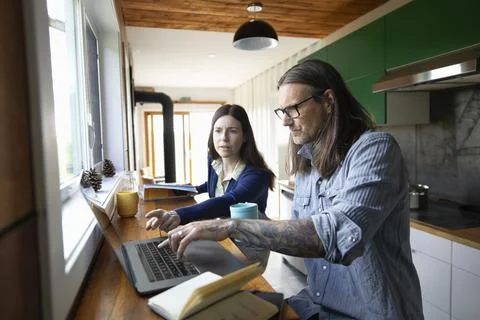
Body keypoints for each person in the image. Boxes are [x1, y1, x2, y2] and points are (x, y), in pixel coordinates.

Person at [156, 60, 424, 319]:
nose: (285, 121)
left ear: (328, 101)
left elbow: (331, 235)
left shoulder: (375, 148)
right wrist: (255, 222)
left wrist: (229, 225)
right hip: (317, 305)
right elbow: (299, 232)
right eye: (282, 111)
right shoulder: (307, 164)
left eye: (293, 109)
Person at [145, 104, 276, 265]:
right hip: (220, 236)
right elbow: (216, 185)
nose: (224, 138)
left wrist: (179, 214)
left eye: (233, 131)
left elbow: (229, 199)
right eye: (218, 130)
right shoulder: (215, 162)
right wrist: (193, 189)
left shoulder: (257, 175)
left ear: (245, 136)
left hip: (247, 249)